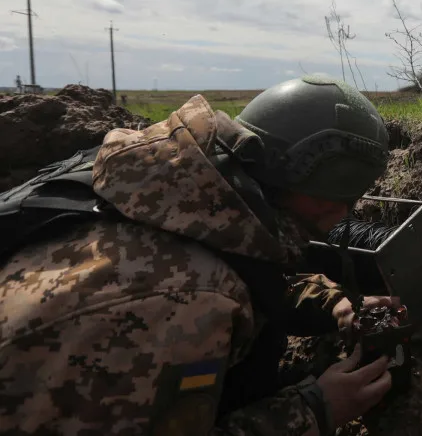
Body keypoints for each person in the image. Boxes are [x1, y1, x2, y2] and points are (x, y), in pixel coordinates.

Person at [0, 75, 400, 435]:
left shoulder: (172, 183)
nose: (343, 215)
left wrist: (334, 303)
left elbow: (245, 264)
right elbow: (194, 285)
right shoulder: (183, 306)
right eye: (340, 200)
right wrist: (313, 410)